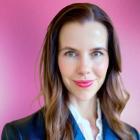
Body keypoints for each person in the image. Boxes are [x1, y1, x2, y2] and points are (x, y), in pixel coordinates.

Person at [1, 2, 139, 140]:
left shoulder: (131, 135)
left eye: (96, 53)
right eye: (71, 53)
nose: (84, 69)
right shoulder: (20, 134)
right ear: (55, 60)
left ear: (111, 59)